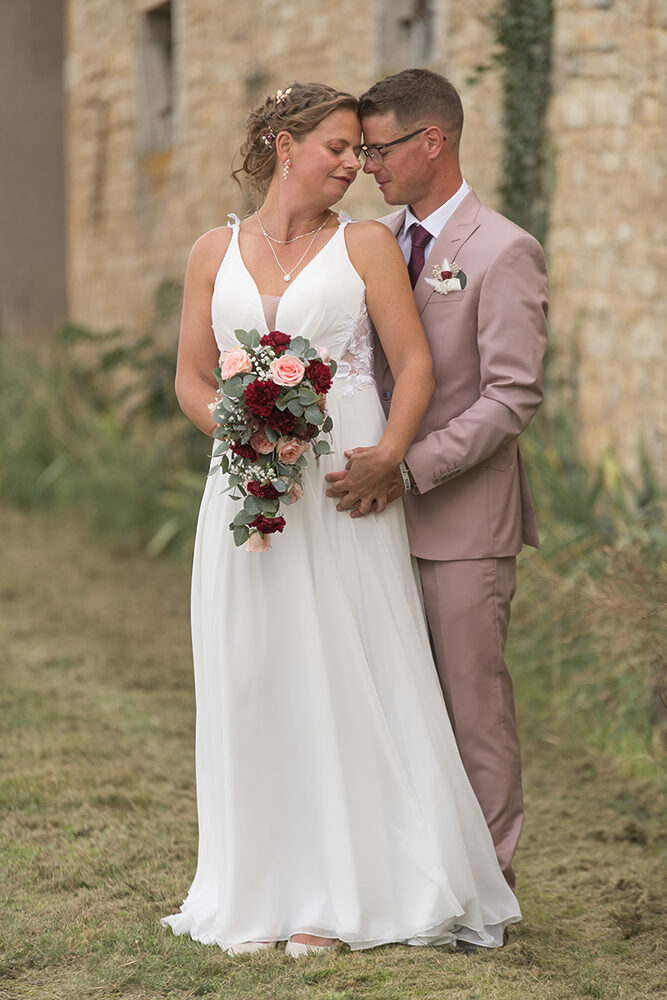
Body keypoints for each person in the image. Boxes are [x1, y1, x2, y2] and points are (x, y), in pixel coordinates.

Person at [161, 81, 521, 958]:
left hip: (342, 493)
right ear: (283, 147)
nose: (354, 165)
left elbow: (414, 365)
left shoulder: (365, 244)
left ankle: (335, 894)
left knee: (343, 670)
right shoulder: (212, 250)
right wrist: (243, 433)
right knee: (253, 673)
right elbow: (192, 378)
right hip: (245, 490)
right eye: (337, 148)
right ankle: (256, 886)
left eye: (362, 151)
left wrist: (390, 454)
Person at [325, 69, 549, 889]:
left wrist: (406, 466)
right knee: (389, 704)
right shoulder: (369, 243)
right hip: (366, 519)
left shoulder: (503, 249)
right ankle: (408, 874)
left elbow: (511, 397)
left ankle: (487, 888)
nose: (366, 166)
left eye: (378, 149)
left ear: (432, 141)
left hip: (461, 525)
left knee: (470, 706)